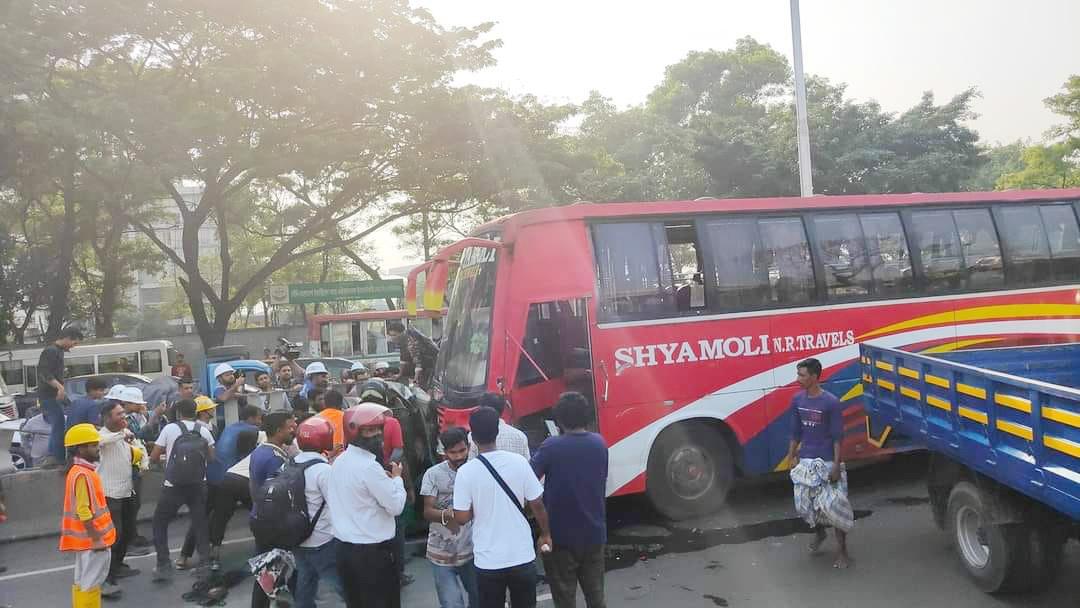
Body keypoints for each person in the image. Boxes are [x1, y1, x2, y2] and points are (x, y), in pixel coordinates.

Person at [453, 407, 552, 608]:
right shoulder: (519, 463)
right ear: (497, 433)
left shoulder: (466, 472)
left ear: (471, 436)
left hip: (488, 561)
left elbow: (461, 517)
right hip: (522, 555)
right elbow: (537, 504)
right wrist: (546, 534)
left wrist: (479, 504)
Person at [531, 393, 608, 608]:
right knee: (596, 597)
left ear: (559, 420)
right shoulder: (599, 443)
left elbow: (529, 478)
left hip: (560, 536)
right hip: (594, 533)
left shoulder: (551, 446)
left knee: (564, 599)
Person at [328, 403, 407, 607]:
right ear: (354, 432)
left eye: (378, 429)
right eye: (369, 430)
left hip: (345, 550)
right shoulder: (369, 467)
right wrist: (397, 479)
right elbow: (396, 506)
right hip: (372, 554)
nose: (377, 435)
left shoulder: (339, 461)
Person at [783, 357, 853, 569]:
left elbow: (837, 436)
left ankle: (842, 552)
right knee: (805, 506)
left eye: (802, 375)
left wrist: (835, 466)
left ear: (814, 377)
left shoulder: (831, 402)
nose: (798, 379)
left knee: (834, 508)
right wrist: (791, 455)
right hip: (806, 462)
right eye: (798, 374)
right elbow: (795, 432)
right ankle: (819, 534)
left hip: (828, 461)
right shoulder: (797, 400)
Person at [149, 398, 216, 582]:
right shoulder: (203, 430)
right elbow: (211, 458)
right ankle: (204, 563)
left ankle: (163, 564)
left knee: (160, 523)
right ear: (196, 412)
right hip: (198, 484)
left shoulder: (170, 429)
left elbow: (154, 456)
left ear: (178, 413)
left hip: (173, 485)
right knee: (199, 523)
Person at [61, 423, 118, 607]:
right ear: (81, 448)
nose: (97, 448)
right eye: (93, 445)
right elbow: (83, 510)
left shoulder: (77, 471)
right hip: (93, 541)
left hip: (84, 541)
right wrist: (96, 538)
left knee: (82, 583)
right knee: (91, 585)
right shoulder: (83, 474)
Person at [422, 427, 478, 608]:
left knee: (480, 598)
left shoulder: (476, 470)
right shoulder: (433, 474)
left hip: (472, 550)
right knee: (451, 603)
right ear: (444, 452)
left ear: (468, 447)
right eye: (453, 452)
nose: (459, 456)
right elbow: (428, 511)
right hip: (441, 553)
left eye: (462, 450)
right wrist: (451, 516)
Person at [292, 417, 344, 608]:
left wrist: (328, 458)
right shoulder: (323, 471)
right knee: (340, 584)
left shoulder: (292, 462)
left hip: (298, 536)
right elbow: (337, 503)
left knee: (305, 583)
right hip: (322, 539)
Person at [248, 411, 298, 608]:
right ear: (279, 430)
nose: (293, 430)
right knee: (275, 569)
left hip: (261, 517)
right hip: (273, 522)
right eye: (290, 427)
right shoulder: (275, 458)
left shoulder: (260, 451)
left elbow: (253, 487)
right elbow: (280, 493)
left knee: (269, 569)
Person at [206, 405, 263, 559]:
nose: (260, 421)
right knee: (259, 510)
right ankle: (265, 544)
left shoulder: (231, 427)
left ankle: (214, 548)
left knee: (220, 514)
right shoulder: (252, 432)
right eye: (259, 418)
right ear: (251, 418)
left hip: (218, 477)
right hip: (236, 475)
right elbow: (247, 457)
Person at [98, 401, 142, 593]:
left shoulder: (125, 435)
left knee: (126, 534)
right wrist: (121, 435)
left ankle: (118, 566)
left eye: (123, 413)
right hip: (110, 494)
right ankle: (106, 576)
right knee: (112, 537)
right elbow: (103, 442)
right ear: (108, 418)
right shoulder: (101, 436)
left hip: (127, 492)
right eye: (118, 414)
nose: (123, 417)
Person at [175, 396, 220, 570]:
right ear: (202, 412)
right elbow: (211, 456)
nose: (214, 410)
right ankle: (187, 555)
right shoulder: (201, 430)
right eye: (211, 408)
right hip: (203, 479)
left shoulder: (209, 428)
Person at [37, 326, 84, 467]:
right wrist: (60, 387)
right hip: (49, 395)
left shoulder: (58, 351)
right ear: (68, 337)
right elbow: (44, 373)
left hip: (55, 394)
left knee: (65, 422)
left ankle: (61, 454)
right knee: (58, 424)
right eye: (74, 343)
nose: (73, 346)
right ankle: (55, 457)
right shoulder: (51, 351)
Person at [468, 393, 530, 460]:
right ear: (503, 410)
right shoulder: (520, 436)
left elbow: (471, 462)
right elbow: (527, 463)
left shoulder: (473, 436)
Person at [387, 321, 439, 389]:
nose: (392, 338)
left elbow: (418, 363)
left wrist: (415, 380)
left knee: (423, 389)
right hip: (420, 365)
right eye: (390, 335)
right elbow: (403, 359)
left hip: (431, 365)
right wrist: (399, 374)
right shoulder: (401, 340)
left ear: (402, 333)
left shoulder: (411, 342)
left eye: (394, 335)